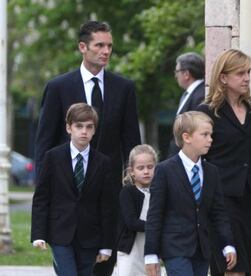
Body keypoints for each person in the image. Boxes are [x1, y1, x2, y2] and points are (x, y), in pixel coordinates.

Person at [34, 20, 141, 275]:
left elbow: (131, 143)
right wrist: (44, 188)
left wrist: (135, 190)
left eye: (110, 46)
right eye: (99, 45)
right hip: (67, 197)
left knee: (102, 268)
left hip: (108, 197)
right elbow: (44, 142)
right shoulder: (58, 87)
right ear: (83, 47)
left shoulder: (124, 88)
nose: (106, 51)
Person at [196, 49, 251, 276]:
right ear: (223, 77)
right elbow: (200, 157)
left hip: (250, 198)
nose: (247, 78)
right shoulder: (207, 112)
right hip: (220, 199)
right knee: (232, 266)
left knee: (244, 265)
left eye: (248, 72)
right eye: (240, 73)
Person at [145, 111, 237, 276]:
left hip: (202, 250)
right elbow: (155, 214)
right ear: (187, 137)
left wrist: (228, 244)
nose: (210, 139)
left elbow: (219, 212)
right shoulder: (165, 170)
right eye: (205, 135)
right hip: (175, 248)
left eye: (211, 134)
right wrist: (151, 254)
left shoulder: (212, 172)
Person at [31, 103, 117, 276]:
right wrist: (38, 234)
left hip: (91, 236)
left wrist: (107, 245)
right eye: (79, 126)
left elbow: (108, 206)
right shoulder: (52, 157)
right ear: (69, 128)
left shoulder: (103, 163)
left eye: (89, 127)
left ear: (94, 130)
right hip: (60, 233)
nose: (84, 131)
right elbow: (41, 198)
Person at [116, 144, 158, 276]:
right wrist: (157, 227)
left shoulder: (159, 192)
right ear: (131, 171)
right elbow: (131, 222)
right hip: (130, 251)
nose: (146, 171)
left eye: (150, 167)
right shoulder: (127, 192)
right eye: (141, 168)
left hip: (152, 250)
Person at [168, 52, 205, 156]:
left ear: (186, 74)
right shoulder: (191, 93)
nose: (175, 75)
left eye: (177, 71)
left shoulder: (200, 96)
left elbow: (197, 132)